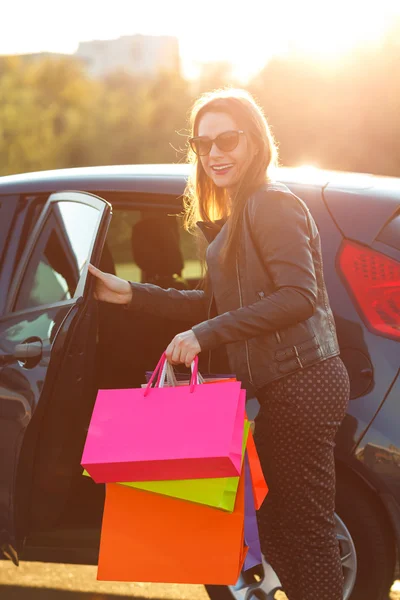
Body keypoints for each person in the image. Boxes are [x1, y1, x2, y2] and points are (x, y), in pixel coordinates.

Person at [88, 88, 350, 600]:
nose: (213, 154)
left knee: (306, 531)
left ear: (254, 141)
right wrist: (131, 293)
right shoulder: (241, 212)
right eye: (202, 143)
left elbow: (299, 296)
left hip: (303, 384)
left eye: (226, 139)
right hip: (283, 386)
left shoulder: (270, 204)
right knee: (276, 530)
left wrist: (203, 336)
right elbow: (211, 306)